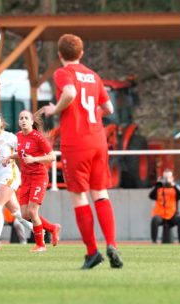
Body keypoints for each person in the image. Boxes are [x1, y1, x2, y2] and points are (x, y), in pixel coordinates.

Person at [42, 34, 123, 269]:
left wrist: (54, 109)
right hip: (98, 141)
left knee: (79, 196)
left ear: (60, 55)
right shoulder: (93, 75)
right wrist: (92, 115)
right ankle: (112, 244)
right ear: (81, 53)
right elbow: (108, 107)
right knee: (101, 193)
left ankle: (92, 252)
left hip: (76, 143)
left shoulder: (62, 73)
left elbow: (69, 93)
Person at [2, 110, 60, 253]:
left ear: (32, 122)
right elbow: (21, 153)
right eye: (21, 118)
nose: (23, 120)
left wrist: (34, 159)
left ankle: (41, 245)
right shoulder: (19, 136)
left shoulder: (38, 137)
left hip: (39, 177)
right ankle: (52, 228)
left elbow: (52, 156)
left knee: (33, 212)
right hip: (26, 178)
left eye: (26, 118)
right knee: (25, 215)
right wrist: (9, 157)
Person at [0, 112, 33, 250]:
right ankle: (43, 232)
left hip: (10, 176)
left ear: (2, 123)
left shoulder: (10, 137)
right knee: (18, 214)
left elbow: (24, 152)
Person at [149, 168, 180, 243]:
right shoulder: (159, 187)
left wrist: (173, 185)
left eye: (168, 177)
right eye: (165, 177)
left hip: (172, 215)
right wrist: (157, 185)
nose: (166, 179)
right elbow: (151, 196)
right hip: (160, 215)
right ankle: (154, 241)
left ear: (172, 178)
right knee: (154, 220)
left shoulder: (175, 188)